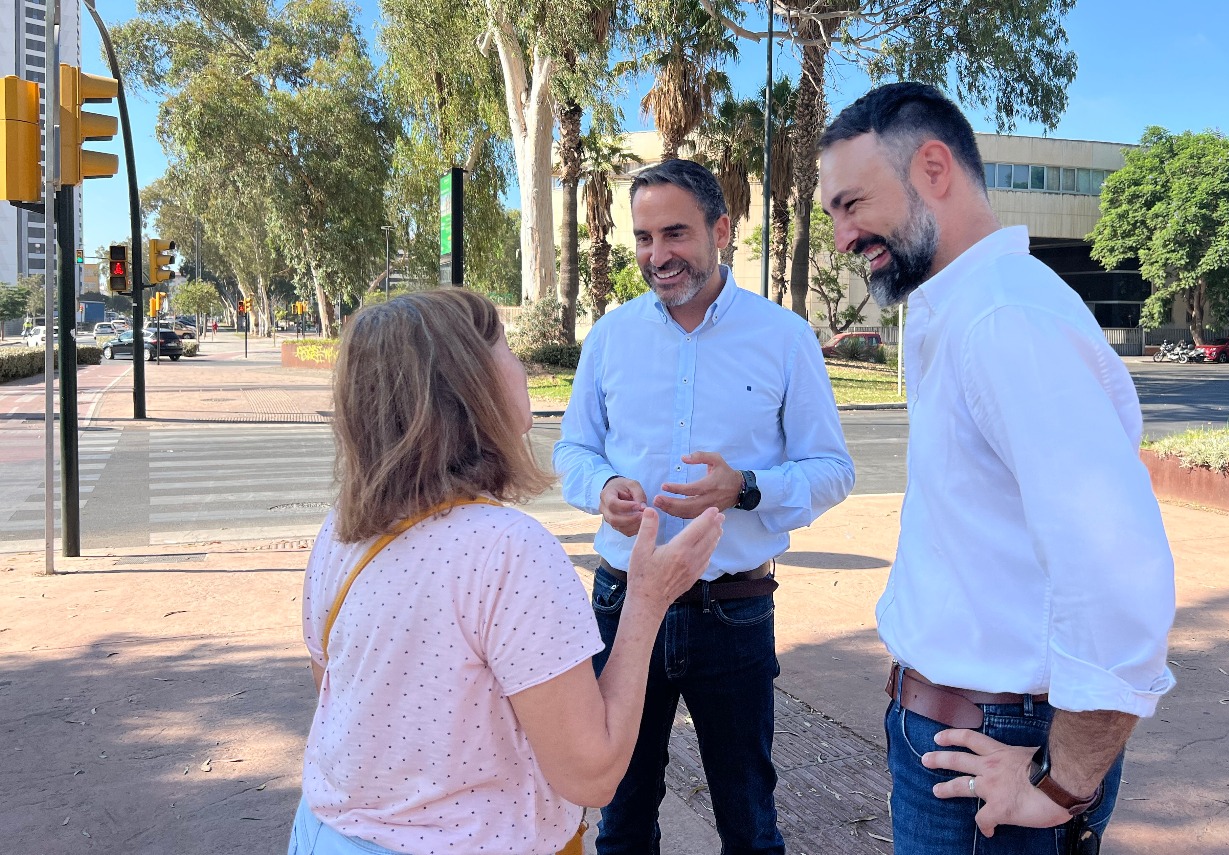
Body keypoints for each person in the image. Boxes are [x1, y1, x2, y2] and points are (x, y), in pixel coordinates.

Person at [817, 82, 1176, 854]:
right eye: (833, 215)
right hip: (961, 736)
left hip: (993, 751)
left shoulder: (1004, 318)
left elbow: (1115, 567)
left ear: (934, 167)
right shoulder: (958, 306)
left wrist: (1063, 781)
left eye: (853, 203)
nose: (842, 235)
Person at [292, 289, 725, 855]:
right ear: (469, 385)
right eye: (506, 347)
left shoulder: (342, 530)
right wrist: (648, 600)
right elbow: (592, 775)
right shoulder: (508, 552)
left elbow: (333, 685)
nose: (520, 366)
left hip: (326, 835)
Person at [554, 159, 855, 854]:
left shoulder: (782, 337)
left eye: (675, 233)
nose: (657, 255)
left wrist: (746, 487)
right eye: (643, 237)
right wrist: (601, 488)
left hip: (734, 610)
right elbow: (572, 450)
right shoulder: (611, 336)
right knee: (621, 814)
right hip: (623, 605)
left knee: (748, 819)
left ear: (721, 229)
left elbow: (833, 470)